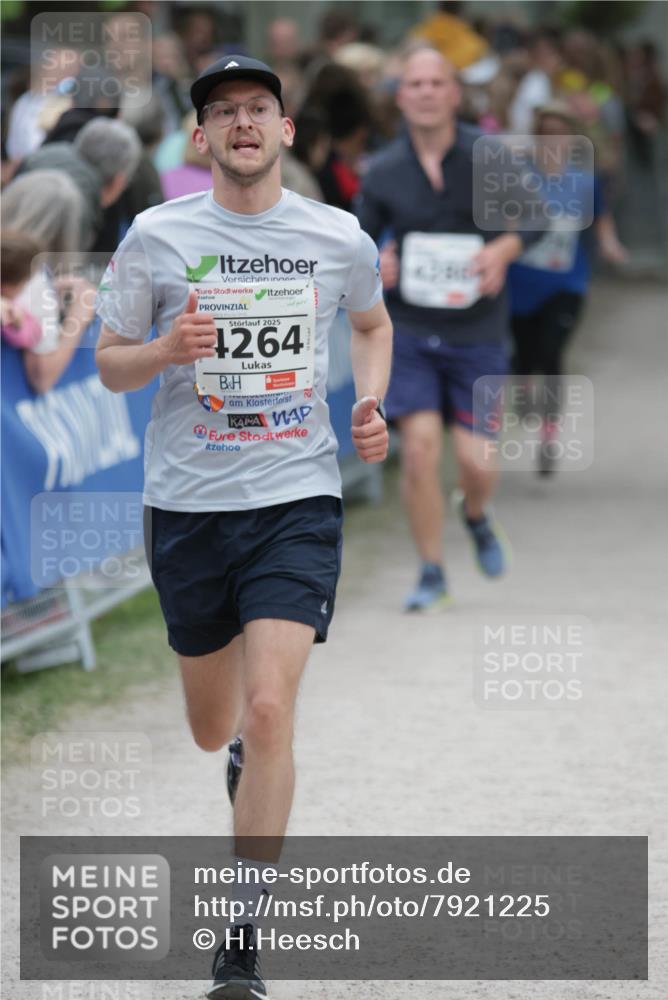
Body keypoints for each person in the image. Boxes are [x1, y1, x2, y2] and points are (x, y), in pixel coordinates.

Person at [95, 54, 392, 999]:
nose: (243, 124)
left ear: (286, 129)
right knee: (212, 723)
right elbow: (107, 365)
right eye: (222, 112)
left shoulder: (336, 235)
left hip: (295, 498)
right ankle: (233, 752)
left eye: (258, 108)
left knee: (272, 711)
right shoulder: (156, 234)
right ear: (201, 137)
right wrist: (162, 349)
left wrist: (371, 403)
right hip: (186, 506)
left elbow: (373, 324)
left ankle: (241, 939)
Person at [356, 45, 537, 612]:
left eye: (438, 82)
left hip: (477, 331)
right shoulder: (383, 170)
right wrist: (375, 264)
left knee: (477, 463)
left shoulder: (489, 157)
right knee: (418, 453)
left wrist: (503, 249)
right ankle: (431, 572)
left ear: (455, 94)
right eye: (416, 83)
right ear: (401, 96)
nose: (428, 92)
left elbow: (531, 217)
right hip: (409, 330)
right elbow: (358, 242)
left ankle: (476, 515)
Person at [508, 101, 627, 476]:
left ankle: (549, 436)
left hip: (567, 283)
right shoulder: (518, 176)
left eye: (560, 133)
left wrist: (610, 244)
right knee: (524, 356)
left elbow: (601, 220)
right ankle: (524, 386)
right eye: (546, 133)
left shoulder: (584, 181)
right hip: (520, 283)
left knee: (552, 353)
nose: (553, 141)